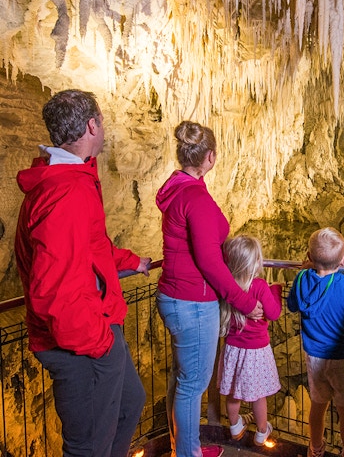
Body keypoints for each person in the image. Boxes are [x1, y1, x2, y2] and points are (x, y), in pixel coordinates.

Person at [14, 89, 151, 457]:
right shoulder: (66, 193)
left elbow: (89, 246)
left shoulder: (72, 180)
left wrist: (127, 261)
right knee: (89, 446)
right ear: (93, 125)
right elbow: (55, 289)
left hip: (95, 327)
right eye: (102, 121)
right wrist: (102, 345)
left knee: (128, 405)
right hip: (82, 343)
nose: (104, 127)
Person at [155, 121, 263, 457]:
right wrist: (244, 301)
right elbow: (210, 262)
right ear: (210, 158)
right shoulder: (195, 197)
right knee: (192, 385)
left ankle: (180, 446)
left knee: (181, 379)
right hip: (192, 300)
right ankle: (188, 453)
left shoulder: (177, 188)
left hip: (174, 295)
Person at [287, 227, 344, 457]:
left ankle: (315, 448)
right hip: (341, 356)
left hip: (314, 356)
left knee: (318, 404)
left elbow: (292, 305)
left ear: (308, 257)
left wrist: (306, 272)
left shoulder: (301, 279)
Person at [217, 235, 282, 447]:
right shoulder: (260, 286)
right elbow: (273, 313)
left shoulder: (226, 286)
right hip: (256, 350)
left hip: (233, 348)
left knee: (233, 392)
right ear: (254, 262)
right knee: (258, 395)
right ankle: (262, 431)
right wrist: (276, 290)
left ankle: (235, 426)